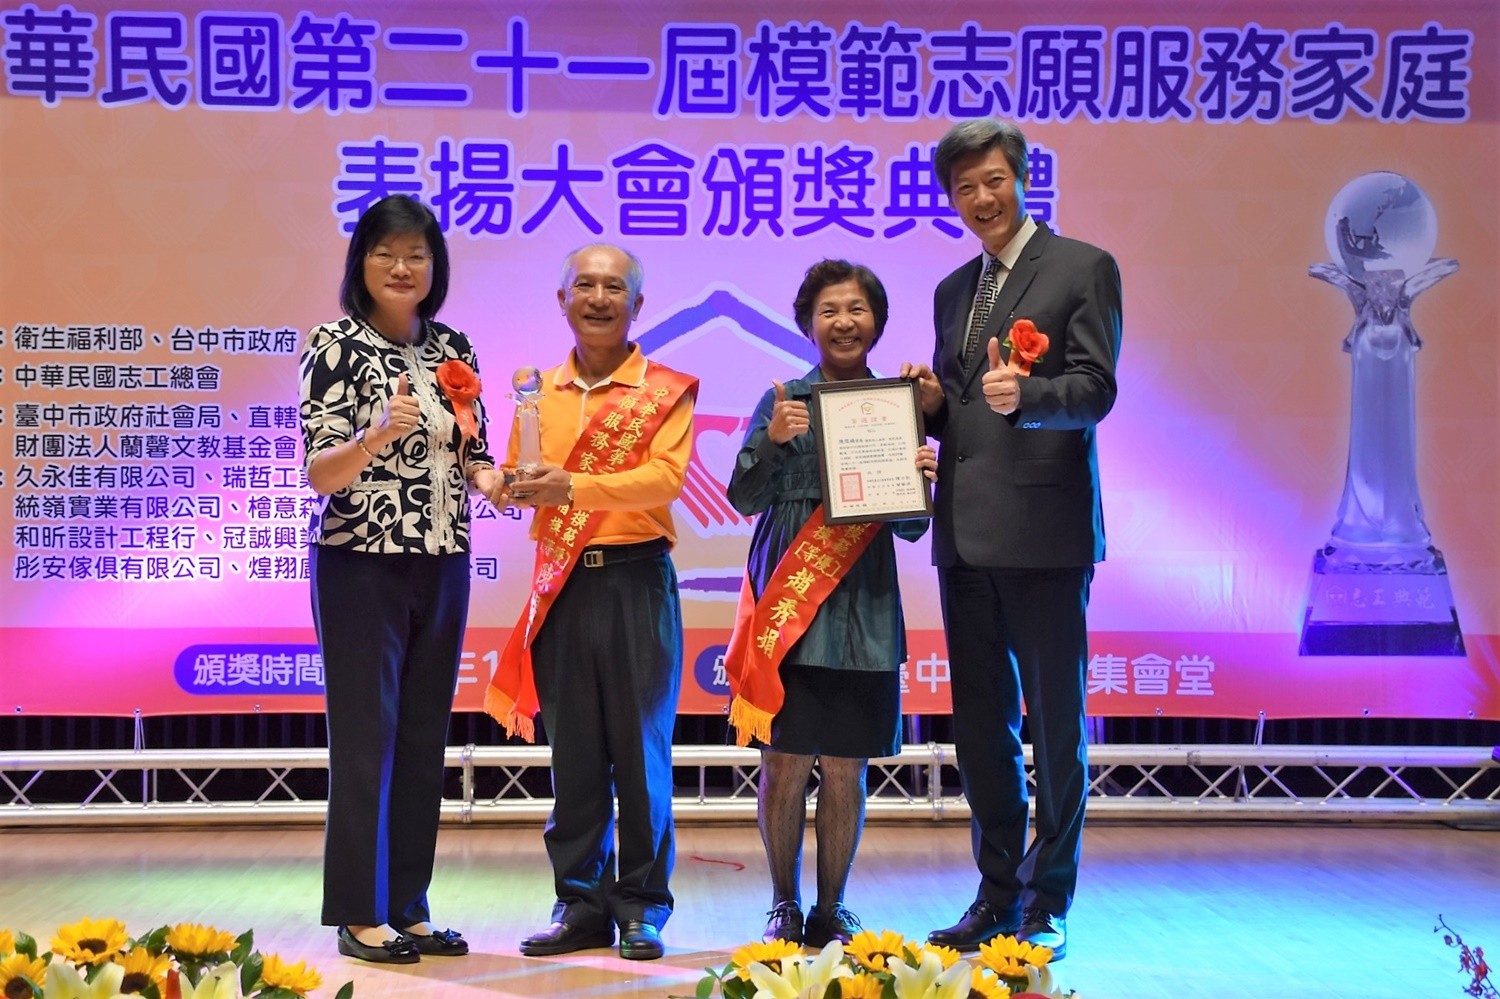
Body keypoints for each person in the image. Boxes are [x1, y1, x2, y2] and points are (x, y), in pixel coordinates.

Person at [902, 119, 1123, 960]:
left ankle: (1048, 900)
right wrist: (931, 406)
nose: (981, 198)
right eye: (964, 187)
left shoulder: (1082, 266)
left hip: (1045, 534)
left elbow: (1095, 389)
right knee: (981, 728)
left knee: (1056, 726)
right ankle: (996, 892)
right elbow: (966, 406)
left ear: (1023, 178)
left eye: (993, 180)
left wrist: (1027, 396)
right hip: (962, 536)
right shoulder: (953, 288)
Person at [300, 195, 509, 963]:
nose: (401, 266)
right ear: (361, 260)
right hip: (360, 561)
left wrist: (495, 480)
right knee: (367, 740)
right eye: (385, 251)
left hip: (443, 559)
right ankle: (361, 914)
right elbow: (321, 472)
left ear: (434, 266)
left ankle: (408, 907)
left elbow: (472, 450)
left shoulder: (453, 347)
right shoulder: (334, 344)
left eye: (416, 254)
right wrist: (375, 434)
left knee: (423, 738)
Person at [484, 243, 698, 962]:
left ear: (638, 304)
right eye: (585, 285)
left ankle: (641, 906)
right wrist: (502, 485)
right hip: (565, 584)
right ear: (563, 299)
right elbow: (521, 477)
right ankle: (578, 903)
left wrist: (571, 487)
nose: (599, 298)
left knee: (640, 754)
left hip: (638, 580)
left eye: (614, 287)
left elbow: (664, 479)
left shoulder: (665, 390)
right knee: (574, 754)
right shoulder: (535, 391)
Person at [724, 260, 937, 948]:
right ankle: (783, 903)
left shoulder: (897, 403)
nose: (844, 322)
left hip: (863, 608)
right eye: (828, 311)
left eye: (856, 309)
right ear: (808, 324)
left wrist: (921, 479)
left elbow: (911, 527)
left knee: (847, 765)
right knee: (784, 762)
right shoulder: (782, 399)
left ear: (877, 321)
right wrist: (771, 443)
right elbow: (742, 497)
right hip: (790, 604)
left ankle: (833, 906)